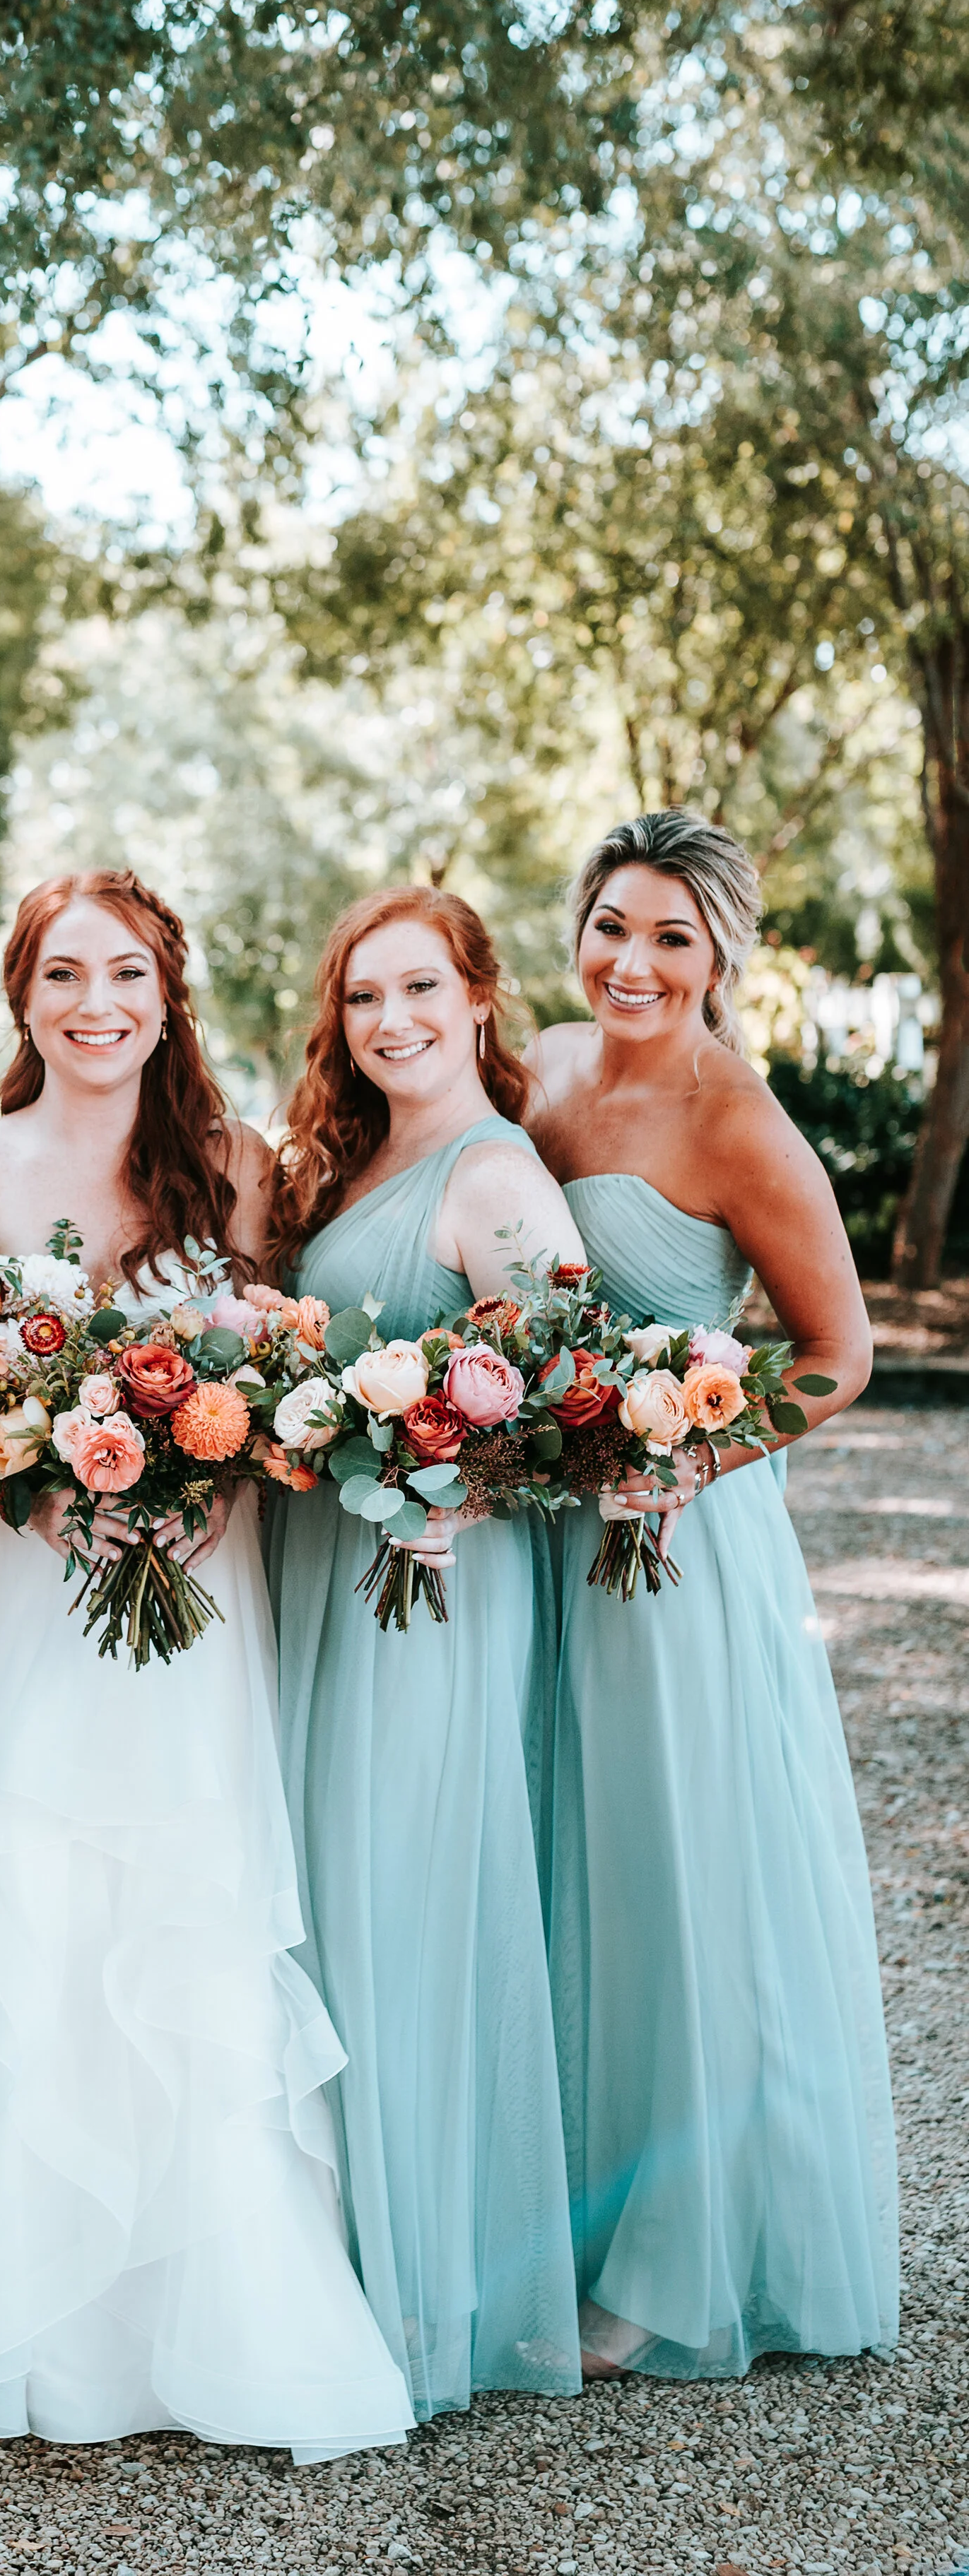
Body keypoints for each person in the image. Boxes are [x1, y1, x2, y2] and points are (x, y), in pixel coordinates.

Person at [0, 869, 414, 2460]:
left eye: (124, 974)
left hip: (205, 1612)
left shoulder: (239, 1169)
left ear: (167, 991)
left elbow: (289, 1379)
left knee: (185, 1918)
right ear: (19, 998)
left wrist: (210, 1475)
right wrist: (43, 1477)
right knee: (17, 1899)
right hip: (29, 1600)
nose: (94, 1004)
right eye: (61, 975)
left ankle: (206, 2320)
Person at [525, 810, 898, 2380]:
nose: (634, 960)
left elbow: (837, 1354)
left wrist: (691, 1456)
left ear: (720, 957)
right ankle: (555, 2211)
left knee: (669, 1864)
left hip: (675, 1530)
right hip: (534, 1517)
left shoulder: (734, 1115)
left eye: (672, 937)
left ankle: (670, 2265)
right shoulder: (537, 1069)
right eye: (614, 924)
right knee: (560, 1852)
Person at [266, 885, 587, 2421]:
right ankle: (324, 2258)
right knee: (334, 1896)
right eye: (359, 998)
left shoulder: (497, 1172)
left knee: (404, 1902)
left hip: (426, 1589)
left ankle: (416, 2290)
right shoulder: (361, 1158)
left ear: (475, 996)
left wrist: (455, 1487)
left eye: (415, 990)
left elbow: (565, 1398)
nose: (386, 1022)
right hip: (333, 1567)